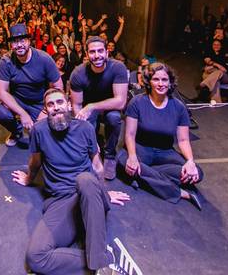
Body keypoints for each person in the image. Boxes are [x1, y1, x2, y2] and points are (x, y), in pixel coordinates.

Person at [13, 88, 130, 275]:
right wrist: (28, 178)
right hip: (61, 200)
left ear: (68, 104)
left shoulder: (85, 128)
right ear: (46, 110)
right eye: (50, 105)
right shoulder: (39, 131)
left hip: (89, 192)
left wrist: (104, 193)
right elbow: (36, 161)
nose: (56, 107)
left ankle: (99, 259)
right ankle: (104, 261)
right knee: (36, 257)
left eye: (59, 102)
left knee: (84, 179)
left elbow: (97, 166)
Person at [117, 62, 203, 209]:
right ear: (149, 82)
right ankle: (181, 193)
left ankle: (146, 175)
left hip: (165, 152)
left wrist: (190, 161)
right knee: (123, 161)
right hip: (140, 149)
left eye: (164, 80)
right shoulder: (137, 102)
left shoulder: (178, 107)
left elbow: (183, 140)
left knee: (196, 174)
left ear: (170, 82)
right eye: (156, 79)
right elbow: (130, 135)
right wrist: (132, 156)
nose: (161, 84)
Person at [69, 36, 129, 180]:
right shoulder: (78, 73)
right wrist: (84, 127)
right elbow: (77, 105)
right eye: (92, 52)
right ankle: (92, 152)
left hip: (110, 106)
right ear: (87, 54)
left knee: (114, 118)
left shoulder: (118, 67)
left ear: (107, 52)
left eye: (100, 51)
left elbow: (121, 102)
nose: (97, 55)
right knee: (87, 125)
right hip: (88, 109)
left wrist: (92, 106)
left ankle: (109, 155)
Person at [0, 23, 63, 146]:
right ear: (11, 45)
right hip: (18, 101)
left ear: (29, 41)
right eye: (15, 42)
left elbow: (58, 87)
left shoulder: (44, 58)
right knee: (2, 113)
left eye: (22, 40)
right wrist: (22, 113)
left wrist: (45, 110)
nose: (19, 45)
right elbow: (1, 92)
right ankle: (17, 132)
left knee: (43, 139)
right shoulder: (6, 61)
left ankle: (35, 127)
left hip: (39, 102)